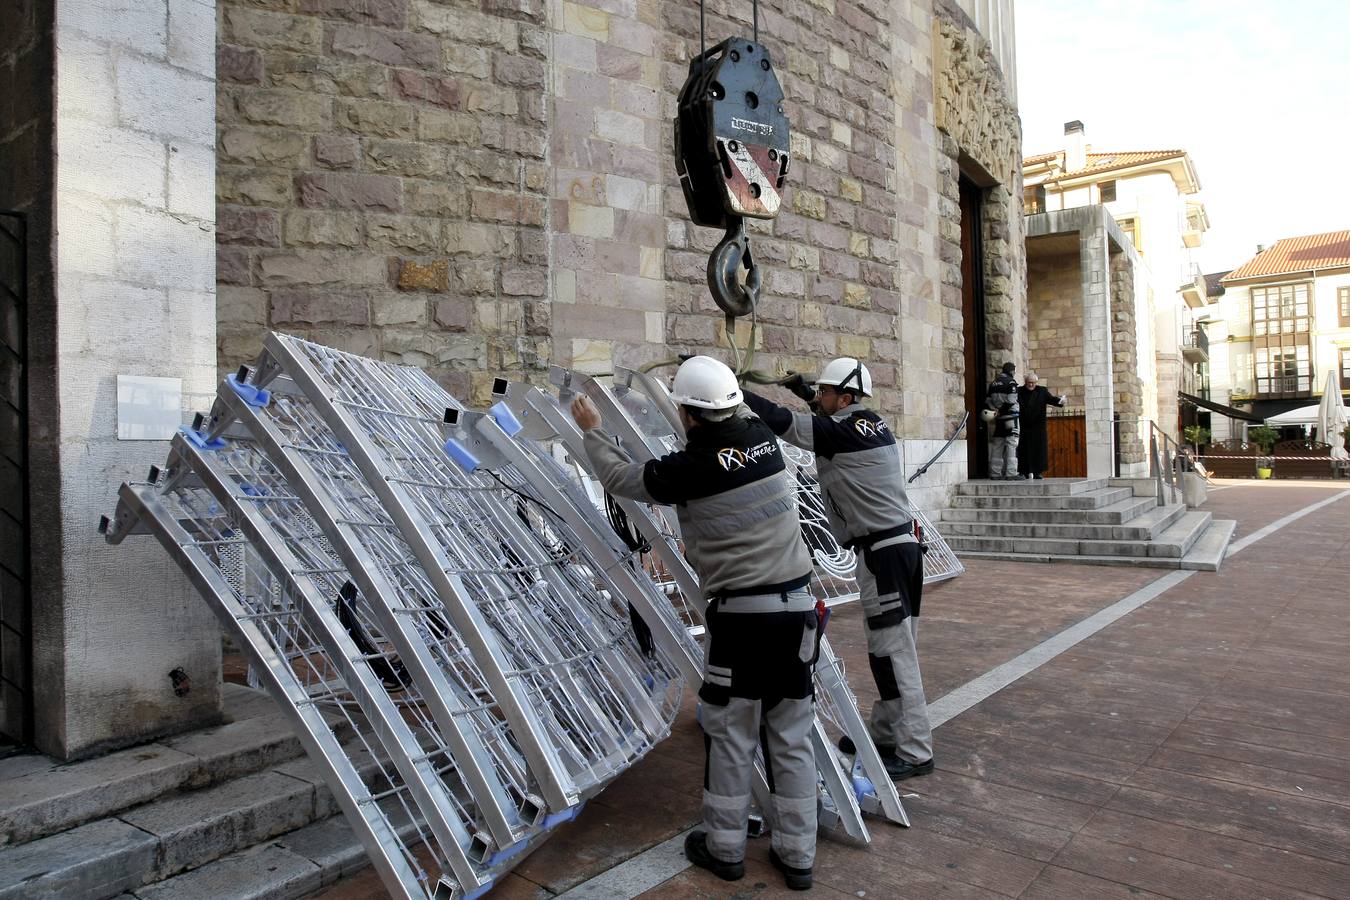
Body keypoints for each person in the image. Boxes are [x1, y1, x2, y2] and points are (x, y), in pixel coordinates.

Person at [571, 355, 818, 892]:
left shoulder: (693, 468)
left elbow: (621, 478)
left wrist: (593, 431)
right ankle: (799, 854)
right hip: (798, 611)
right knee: (791, 733)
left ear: (686, 414)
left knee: (731, 732)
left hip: (743, 620)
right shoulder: (763, 441)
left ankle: (725, 848)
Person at [743, 358, 934, 783]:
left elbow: (783, 423)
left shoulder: (840, 432)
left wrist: (733, 393)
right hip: (897, 550)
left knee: (894, 653)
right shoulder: (865, 424)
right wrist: (806, 394)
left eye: (825, 392)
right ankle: (885, 735)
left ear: (844, 398)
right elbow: (825, 422)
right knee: (889, 649)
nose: (820, 396)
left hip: (883, 555)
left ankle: (916, 750)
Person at [1015, 372, 1066, 479]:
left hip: (1038, 426)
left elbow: (1052, 399)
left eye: (1033, 383)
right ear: (1025, 382)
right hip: (1023, 425)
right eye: (1029, 382)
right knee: (1023, 450)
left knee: (1038, 450)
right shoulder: (1019, 391)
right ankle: (1023, 471)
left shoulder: (1042, 391)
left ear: (1036, 382)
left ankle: (1037, 472)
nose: (1031, 385)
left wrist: (1061, 401)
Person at [986, 362, 1020, 479]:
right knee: (1012, 443)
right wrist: (1001, 410)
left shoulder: (993, 383)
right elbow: (1011, 400)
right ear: (1012, 371)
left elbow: (988, 401)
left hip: (999, 419)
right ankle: (1011, 473)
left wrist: (995, 410)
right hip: (1010, 417)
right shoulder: (1011, 382)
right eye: (1014, 371)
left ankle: (995, 473)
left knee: (998, 445)